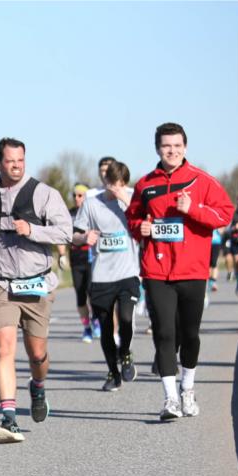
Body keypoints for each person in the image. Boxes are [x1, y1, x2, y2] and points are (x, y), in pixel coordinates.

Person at [0, 137, 73, 443]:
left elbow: (66, 231)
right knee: (4, 348)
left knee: (36, 353)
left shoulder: (44, 194)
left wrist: (33, 230)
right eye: (10, 161)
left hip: (37, 281)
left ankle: (37, 385)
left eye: (21, 160)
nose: (16, 165)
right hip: (0, 282)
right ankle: (9, 419)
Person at [127, 122, 234, 419]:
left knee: (190, 335)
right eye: (165, 146)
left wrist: (193, 209)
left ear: (185, 147)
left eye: (176, 146)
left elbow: (225, 214)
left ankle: (188, 388)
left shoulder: (202, 180)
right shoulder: (145, 184)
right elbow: (133, 217)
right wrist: (140, 228)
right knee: (163, 333)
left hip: (192, 270)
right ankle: (170, 398)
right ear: (157, 149)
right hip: (156, 269)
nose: (171, 151)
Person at [72, 160, 140, 391]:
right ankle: (113, 372)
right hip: (101, 276)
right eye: (112, 184)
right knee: (106, 328)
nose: (116, 189)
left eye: (120, 185)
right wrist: (84, 238)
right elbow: (74, 235)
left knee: (127, 319)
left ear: (126, 183)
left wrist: (126, 200)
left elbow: (145, 220)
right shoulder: (91, 204)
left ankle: (126, 353)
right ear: (105, 182)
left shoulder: (133, 199)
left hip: (128, 272)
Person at [62, 183, 97, 342]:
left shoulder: (94, 211)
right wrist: (62, 255)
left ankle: (96, 320)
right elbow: (62, 235)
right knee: (80, 297)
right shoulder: (69, 214)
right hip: (76, 260)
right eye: (74, 195)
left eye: (80, 195)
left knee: (93, 293)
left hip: (93, 259)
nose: (76, 198)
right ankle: (86, 328)